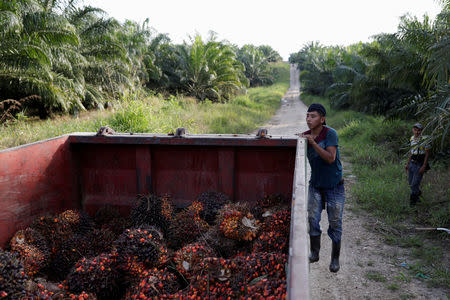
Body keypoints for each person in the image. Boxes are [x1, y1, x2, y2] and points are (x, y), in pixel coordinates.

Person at [300, 103, 345, 273]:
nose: (308, 119)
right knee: (312, 217)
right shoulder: (305, 136)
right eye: (307, 116)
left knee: (335, 222)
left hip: (335, 186)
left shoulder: (330, 134)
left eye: (313, 116)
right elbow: (291, 143)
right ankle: (315, 252)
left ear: (322, 119)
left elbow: (330, 158)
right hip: (316, 185)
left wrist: (313, 143)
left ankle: (334, 259)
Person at [405, 123, 430, 206]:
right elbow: (411, 152)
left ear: (421, 131)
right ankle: (418, 195)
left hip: (420, 164)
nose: (417, 132)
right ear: (413, 130)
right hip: (412, 163)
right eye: (415, 130)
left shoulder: (424, 139)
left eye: (419, 130)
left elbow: (427, 153)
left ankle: (412, 204)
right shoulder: (412, 138)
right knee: (410, 183)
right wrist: (407, 163)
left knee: (414, 184)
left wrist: (424, 166)